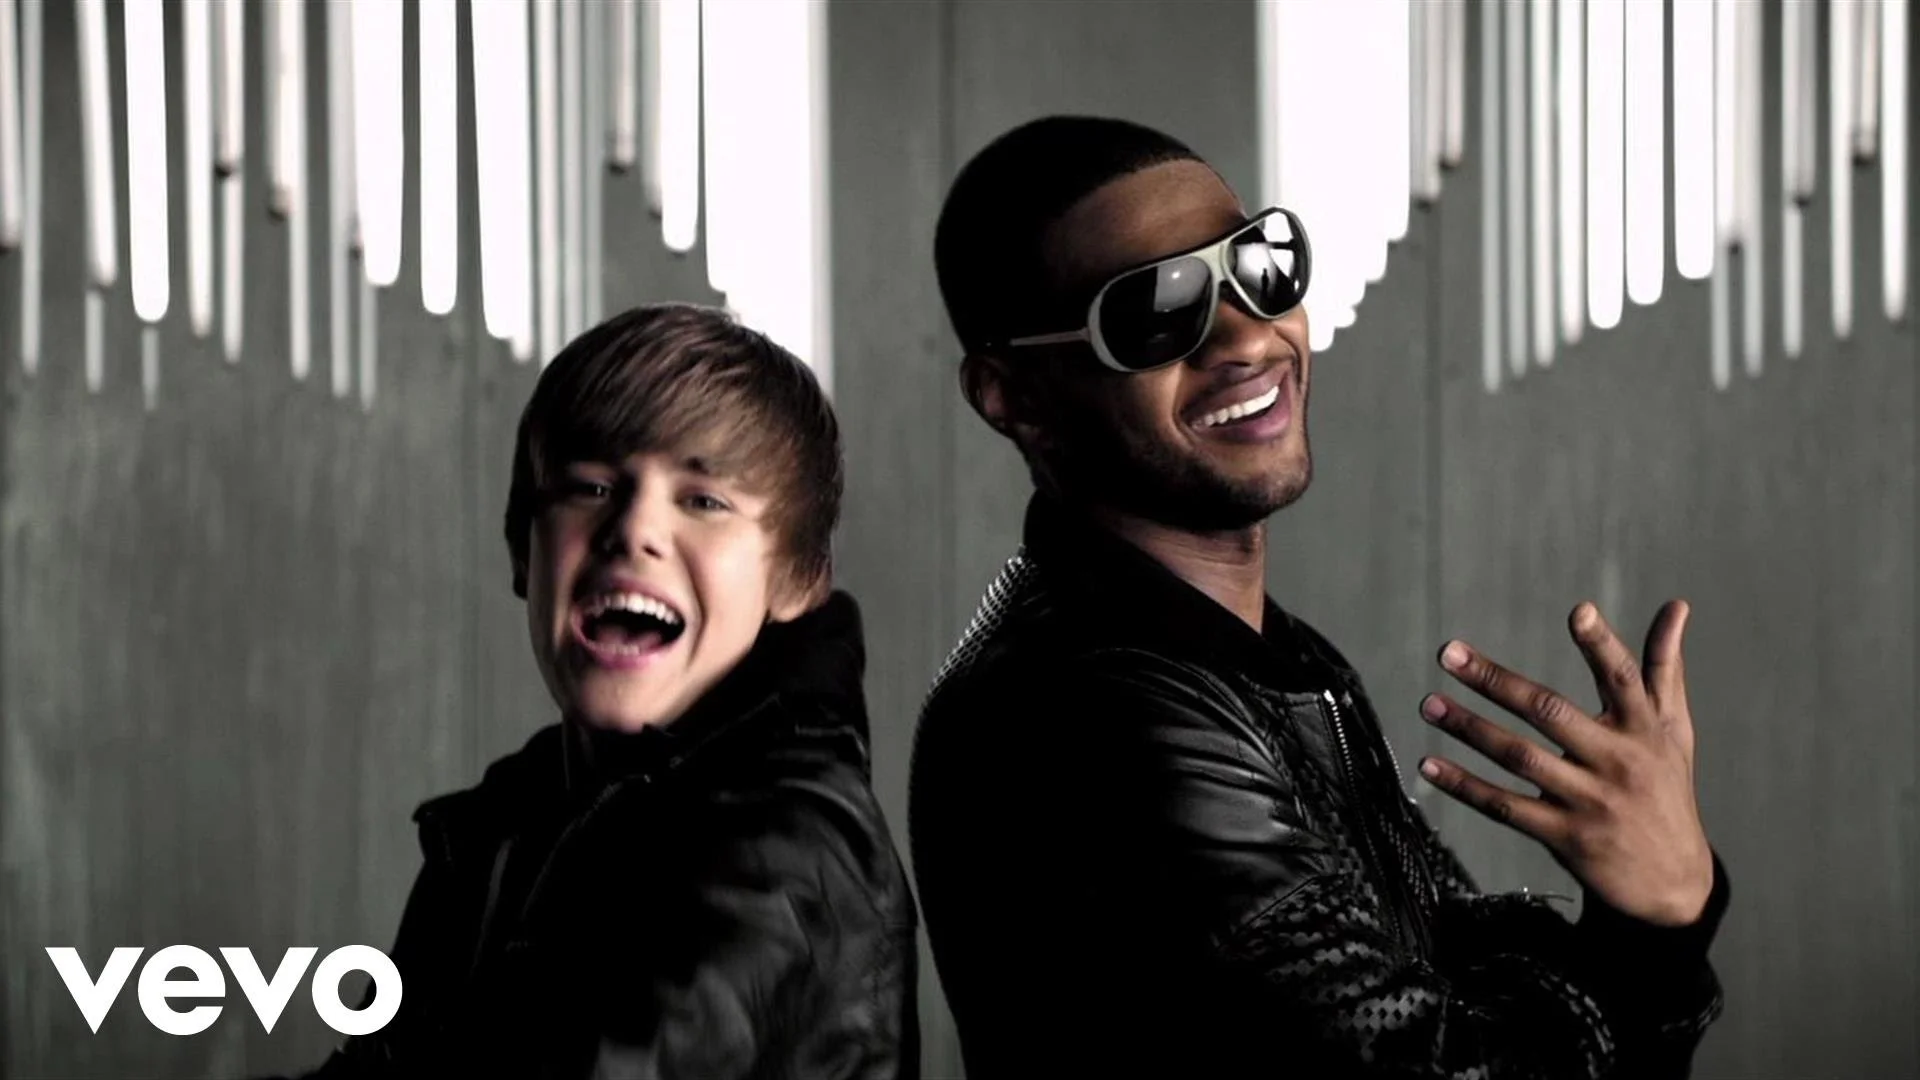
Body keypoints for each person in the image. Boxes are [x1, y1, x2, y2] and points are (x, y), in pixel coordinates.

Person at [909, 116, 1728, 1079]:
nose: (1248, 336)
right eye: (1157, 308)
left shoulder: (1265, 655)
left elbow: (1437, 957)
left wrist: (1653, 895)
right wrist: (1652, 932)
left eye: (1259, 266)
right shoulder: (1093, 714)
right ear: (1012, 395)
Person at [298, 304, 918, 1078]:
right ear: (523, 552)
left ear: (797, 580)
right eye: (590, 487)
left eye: (704, 500)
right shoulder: (513, 819)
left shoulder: (786, 848)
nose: (633, 530)